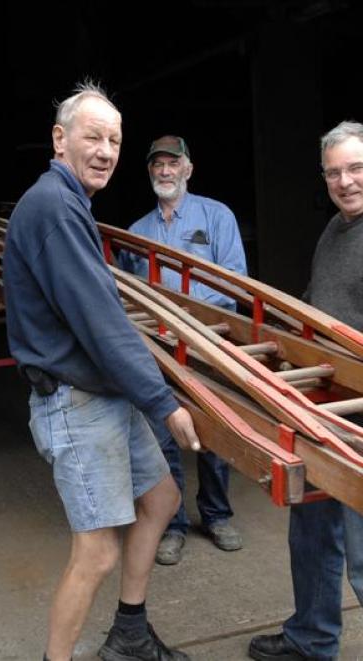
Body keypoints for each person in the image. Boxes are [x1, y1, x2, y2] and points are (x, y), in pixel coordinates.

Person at [3, 82, 201, 661]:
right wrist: (163, 400)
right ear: (60, 139)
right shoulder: (53, 208)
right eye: (93, 136)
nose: (106, 150)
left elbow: (100, 314)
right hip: (74, 401)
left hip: (102, 394)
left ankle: (130, 636)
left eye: (114, 140)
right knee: (96, 552)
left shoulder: (69, 202)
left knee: (161, 498)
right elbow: (100, 323)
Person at [249, 120, 363, 661]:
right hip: (323, 406)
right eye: (334, 172)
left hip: (360, 417)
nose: (345, 182)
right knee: (313, 529)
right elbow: (318, 302)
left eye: (355, 169)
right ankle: (312, 638)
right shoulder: (336, 230)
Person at [120, 135, 247, 564]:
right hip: (156, 349)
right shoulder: (137, 233)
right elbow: (129, 295)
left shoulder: (216, 216)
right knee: (162, 436)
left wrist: (185, 321)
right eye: (157, 164)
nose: (164, 171)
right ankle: (172, 525)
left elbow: (233, 281)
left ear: (188, 169)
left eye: (172, 163)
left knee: (211, 433)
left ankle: (216, 515)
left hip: (207, 343)